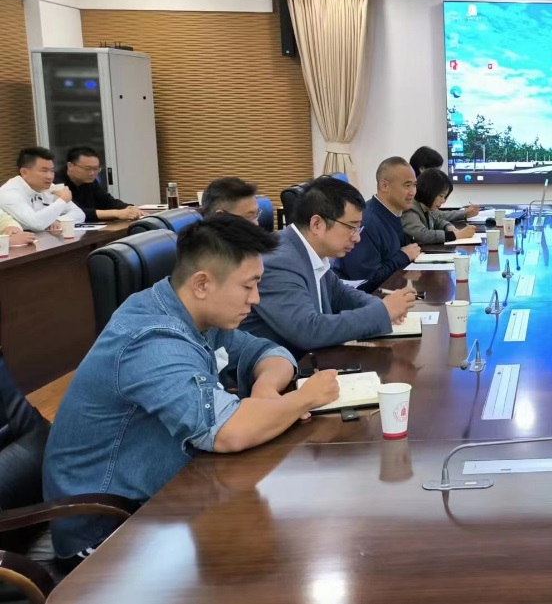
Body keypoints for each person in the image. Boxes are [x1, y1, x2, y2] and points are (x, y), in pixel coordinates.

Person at [42, 216, 342, 565]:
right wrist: (304, 398)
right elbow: (228, 432)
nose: (256, 298)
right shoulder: (152, 339)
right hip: (107, 529)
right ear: (202, 284)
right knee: (262, 556)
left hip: (171, 492)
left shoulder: (196, 312)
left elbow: (269, 353)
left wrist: (264, 390)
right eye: (248, 286)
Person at [240, 176, 415, 356]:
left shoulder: (309, 250)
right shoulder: (279, 262)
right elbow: (308, 331)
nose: (357, 237)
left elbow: (340, 295)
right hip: (284, 368)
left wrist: (383, 306)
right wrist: (381, 313)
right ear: (317, 224)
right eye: (351, 227)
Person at [337, 157, 422, 292]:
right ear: (384, 186)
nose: (413, 192)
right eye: (407, 185)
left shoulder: (393, 214)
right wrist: (403, 257)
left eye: (414, 185)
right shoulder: (366, 222)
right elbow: (365, 283)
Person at [0, 147, 85, 233]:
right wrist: (63, 200)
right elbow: (36, 224)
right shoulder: (9, 193)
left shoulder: (50, 187)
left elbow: (79, 214)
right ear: (24, 172)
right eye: (44, 171)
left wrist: (59, 221)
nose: (50, 176)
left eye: (52, 171)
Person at [55, 146, 143, 222]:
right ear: (70, 166)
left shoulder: (89, 180)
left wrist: (129, 207)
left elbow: (107, 201)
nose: (92, 173)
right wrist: (116, 213)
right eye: (87, 169)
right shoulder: (56, 183)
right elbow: (74, 212)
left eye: (96, 169)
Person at [403, 168, 479, 245]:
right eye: (441, 196)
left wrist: (449, 227)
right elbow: (422, 235)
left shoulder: (427, 208)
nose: (443, 201)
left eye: (445, 197)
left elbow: (438, 221)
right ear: (428, 192)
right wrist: (457, 234)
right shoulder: (410, 209)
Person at [409, 145, 481, 224]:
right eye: (436, 171)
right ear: (422, 169)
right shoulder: (413, 193)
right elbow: (436, 215)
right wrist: (464, 213)